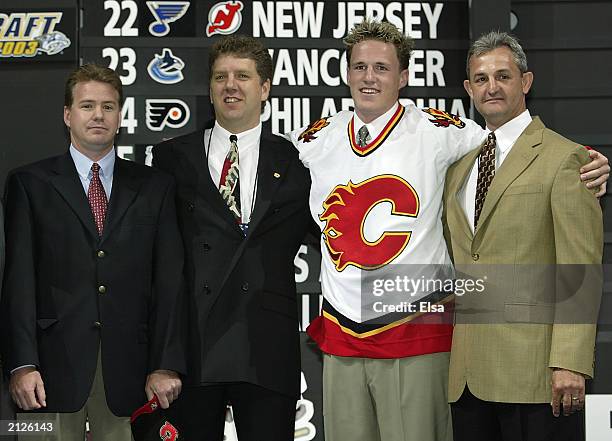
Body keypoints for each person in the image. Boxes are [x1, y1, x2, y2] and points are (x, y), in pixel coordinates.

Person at [288, 20, 608, 441]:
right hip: (346, 330)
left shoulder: (447, 134)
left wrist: (588, 161)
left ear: (403, 77)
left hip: (424, 330)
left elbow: (524, 150)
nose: (369, 77)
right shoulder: (310, 141)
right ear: (345, 72)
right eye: (360, 66)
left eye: (382, 68)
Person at [0, 64, 185, 441]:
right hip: (46, 376)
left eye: (108, 106)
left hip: (132, 377)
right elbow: (18, 282)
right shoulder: (29, 184)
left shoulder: (155, 188)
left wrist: (166, 364)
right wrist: (21, 364)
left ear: (120, 116)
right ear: (68, 115)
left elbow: (170, 283)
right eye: (87, 106)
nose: (98, 115)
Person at [443, 31, 602, 441]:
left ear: (526, 82)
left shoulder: (565, 157)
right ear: (468, 89)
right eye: (480, 79)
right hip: (467, 375)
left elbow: (578, 266)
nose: (491, 87)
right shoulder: (458, 168)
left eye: (503, 76)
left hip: (536, 375)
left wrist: (569, 360)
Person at [152, 35, 311, 441]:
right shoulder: (171, 158)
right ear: (209, 88)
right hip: (195, 346)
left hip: (266, 346)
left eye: (243, 75)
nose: (230, 85)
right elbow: (158, 260)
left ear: (265, 88)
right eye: (220, 76)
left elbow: (332, 234)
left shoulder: (297, 160)